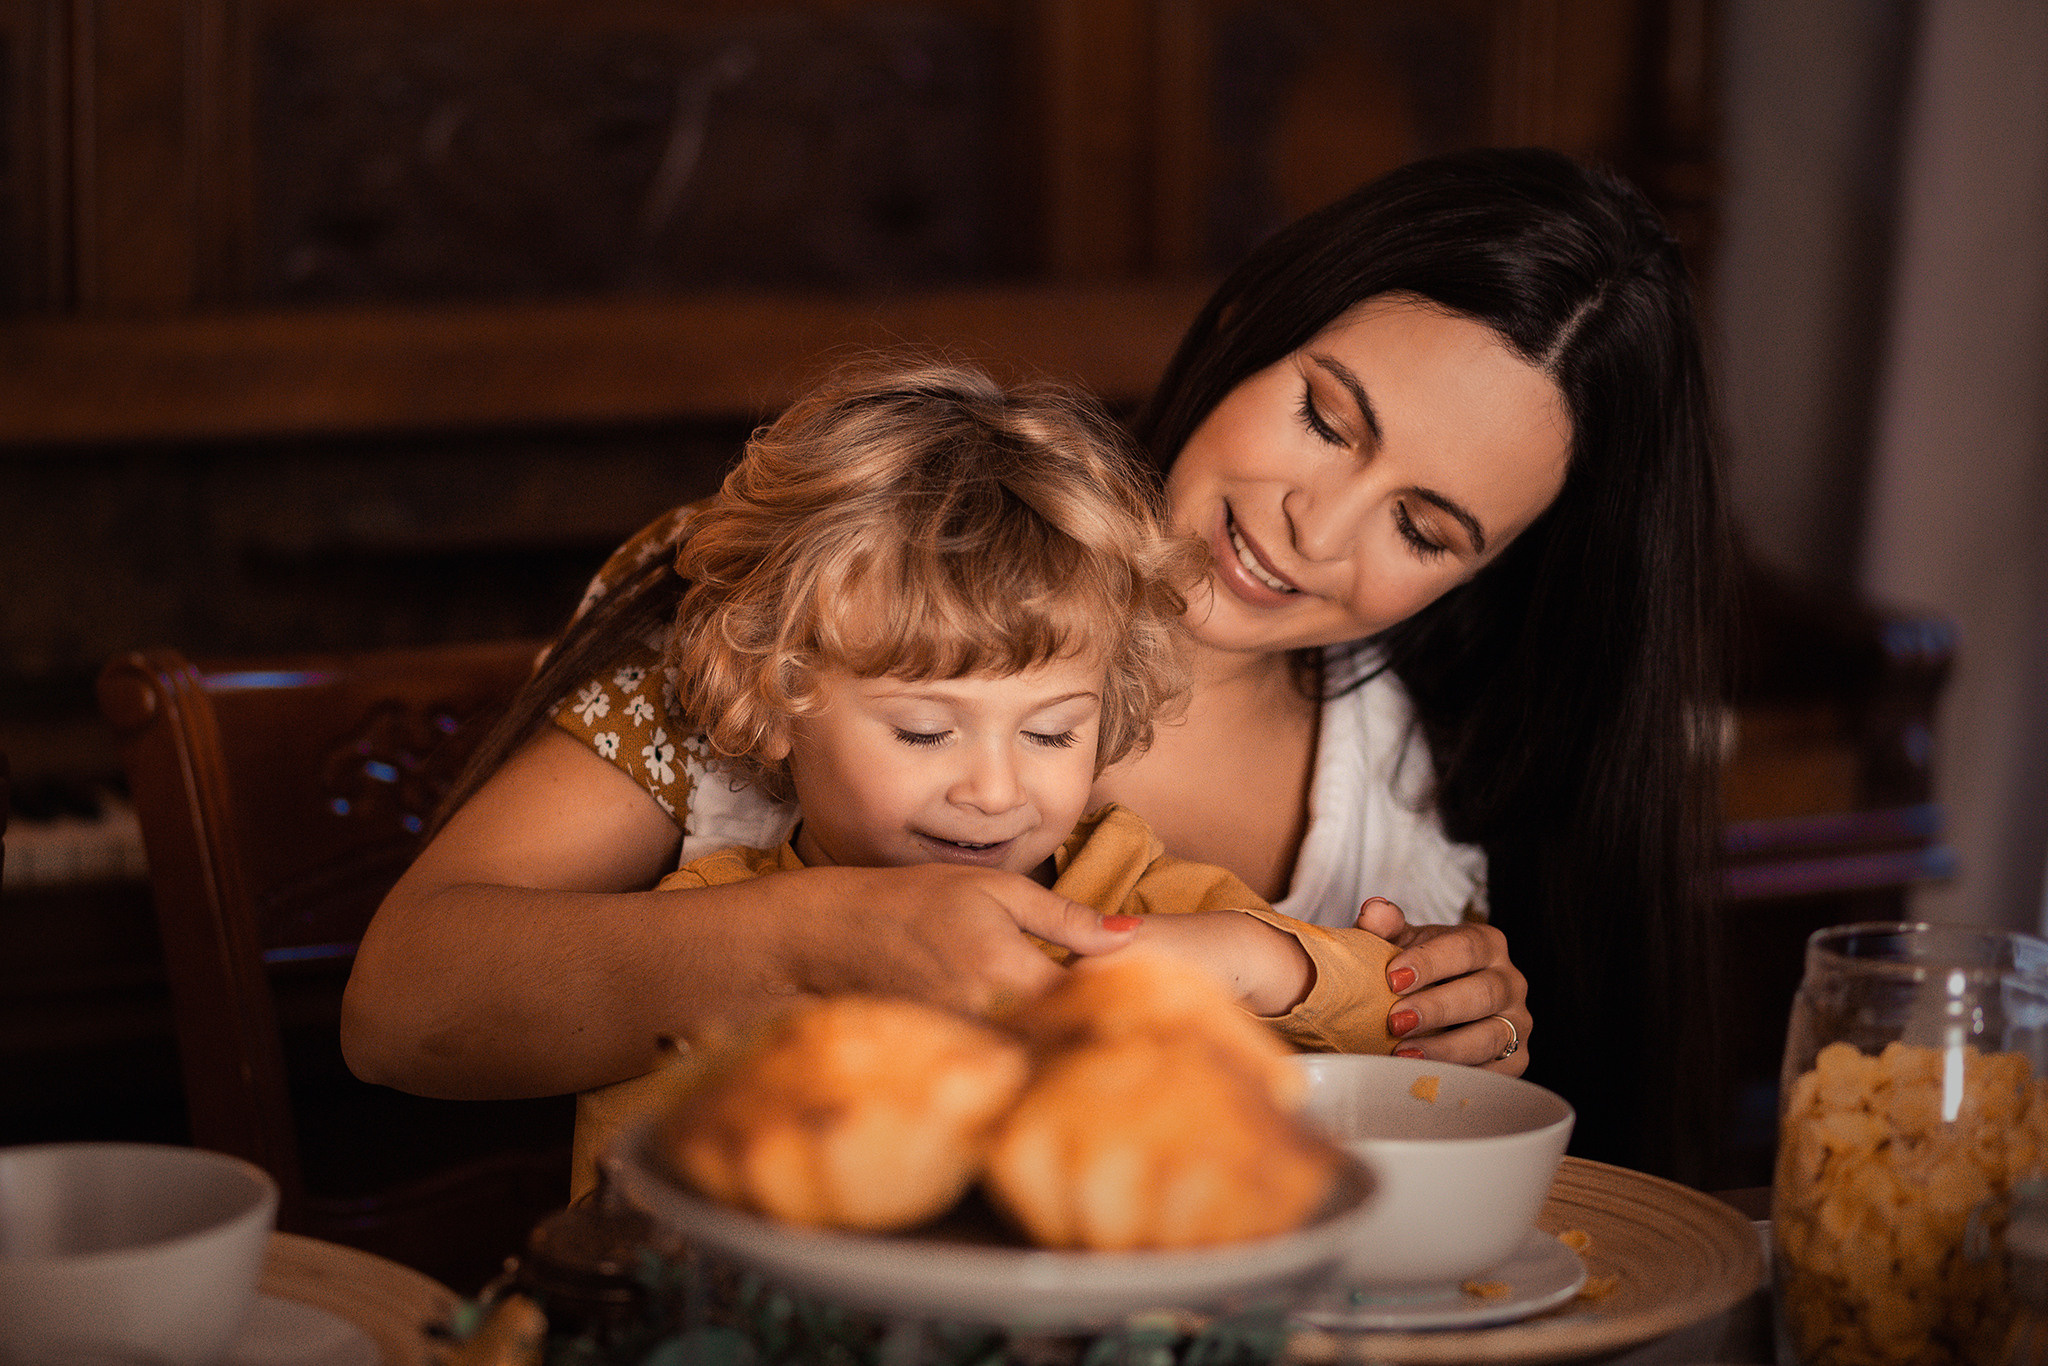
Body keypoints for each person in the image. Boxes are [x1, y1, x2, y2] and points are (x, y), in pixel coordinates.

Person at [343, 145, 1728, 1182]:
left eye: (1423, 529)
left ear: (1489, 573)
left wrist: (1454, 1039)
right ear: (1249, 326)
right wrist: (825, 936)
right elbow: (403, 1010)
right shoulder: (848, 579)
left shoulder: (1422, 796)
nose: (1317, 526)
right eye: (1324, 418)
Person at [562, 359, 1404, 1195]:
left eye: (1050, 732)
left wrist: (1259, 959)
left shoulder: (1130, 892)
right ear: (778, 700)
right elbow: (624, 1205)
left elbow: (1390, 1026)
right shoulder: (708, 932)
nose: (995, 793)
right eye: (925, 732)